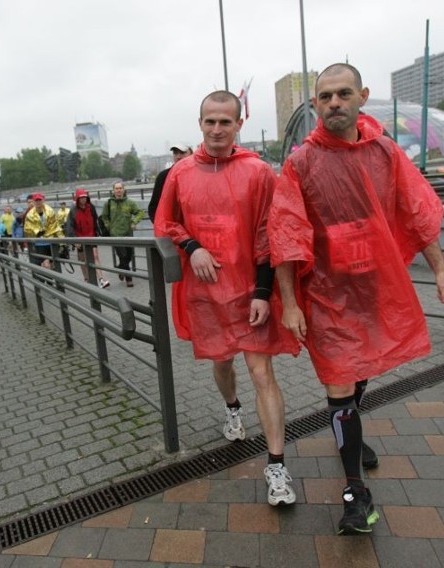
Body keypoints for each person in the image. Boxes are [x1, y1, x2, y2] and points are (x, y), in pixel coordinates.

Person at [268, 63, 444, 536]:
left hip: (375, 288)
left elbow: (415, 212)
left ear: (362, 97)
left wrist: (440, 269)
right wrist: (290, 303)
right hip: (328, 295)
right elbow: (286, 236)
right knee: (339, 380)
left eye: (343, 94)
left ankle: (349, 440)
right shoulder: (300, 164)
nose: (334, 102)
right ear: (314, 105)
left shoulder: (386, 153)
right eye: (326, 96)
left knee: (362, 368)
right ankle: (356, 493)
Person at [154, 90, 301, 508]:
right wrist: (192, 247)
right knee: (223, 365)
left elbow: (269, 232)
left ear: (239, 125)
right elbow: (165, 222)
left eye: (225, 122)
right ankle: (232, 408)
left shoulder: (258, 172)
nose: (217, 129)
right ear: (199, 124)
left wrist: (261, 291)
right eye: (209, 121)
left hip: (247, 293)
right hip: (204, 294)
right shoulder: (180, 173)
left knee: (261, 373)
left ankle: (276, 465)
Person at [64, 188, 111, 288]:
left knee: (95, 257)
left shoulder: (91, 207)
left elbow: (96, 220)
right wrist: (74, 240)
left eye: (85, 197)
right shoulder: (73, 211)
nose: (83, 200)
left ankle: (101, 279)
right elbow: (69, 226)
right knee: (83, 260)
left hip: (91, 236)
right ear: (77, 199)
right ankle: (87, 278)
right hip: (79, 239)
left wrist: (98, 232)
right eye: (81, 198)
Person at [100, 181, 144, 287]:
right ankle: (129, 279)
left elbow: (140, 212)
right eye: (116, 188)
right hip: (115, 235)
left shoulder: (129, 202)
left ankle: (120, 269)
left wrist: (134, 222)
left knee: (128, 256)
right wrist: (109, 227)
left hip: (128, 234)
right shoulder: (109, 203)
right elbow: (104, 216)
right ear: (113, 191)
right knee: (123, 255)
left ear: (124, 190)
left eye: (120, 188)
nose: (118, 190)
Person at [148, 143, 193, 222]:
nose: (178, 156)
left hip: (194, 227)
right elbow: (154, 205)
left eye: (182, 153)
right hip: (172, 227)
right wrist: (160, 225)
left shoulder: (199, 174)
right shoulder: (163, 176)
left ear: (191, 154)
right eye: (175, 153)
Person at [23, 193, 64, 269]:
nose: (38, 202)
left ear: (43, 200)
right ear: (34, 202)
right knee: (46, 263)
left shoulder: (50, 211)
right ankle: (49, 279)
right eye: (36, 201)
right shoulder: (30, 214)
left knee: (52, 264)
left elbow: (56, 226)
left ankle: (50, 279)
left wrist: (62, 242)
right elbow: (27, 229)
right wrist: (37, 231)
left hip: (51, 242)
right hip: (39, 244)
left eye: (40, 200)